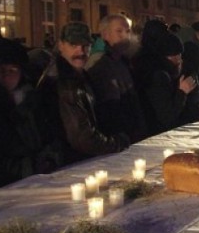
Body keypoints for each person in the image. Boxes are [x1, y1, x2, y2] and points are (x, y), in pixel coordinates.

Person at [0, 36, 63, 193]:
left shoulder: (32, 101)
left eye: (12, 70)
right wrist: (28, 166)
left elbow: (51, 134)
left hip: (38, 184)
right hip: (0, 190)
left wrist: (51, 156)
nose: (5, 76)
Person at [37, 22, 130, 163]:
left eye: (85, 46)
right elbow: (82, 139)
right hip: (70, 163)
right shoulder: (64, 82)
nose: (80, 52)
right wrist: (117, 142)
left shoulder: (78, 75)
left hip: (76, 159)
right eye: (74, 46)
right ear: (61, 45)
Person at [86, 14, 148, 143]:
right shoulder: (98, 63)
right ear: (105, 35)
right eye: (119, 31)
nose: (125, 36)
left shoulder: (123, 60)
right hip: (115, 139)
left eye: (127, 31)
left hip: (130, 136)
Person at [136, 31, 199, 135]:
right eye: (174, 55)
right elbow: (167, 116)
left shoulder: (173, 72)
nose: (179, 59)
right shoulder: (159, 77)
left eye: (179, 54)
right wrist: (182, 92)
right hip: (160, 134)